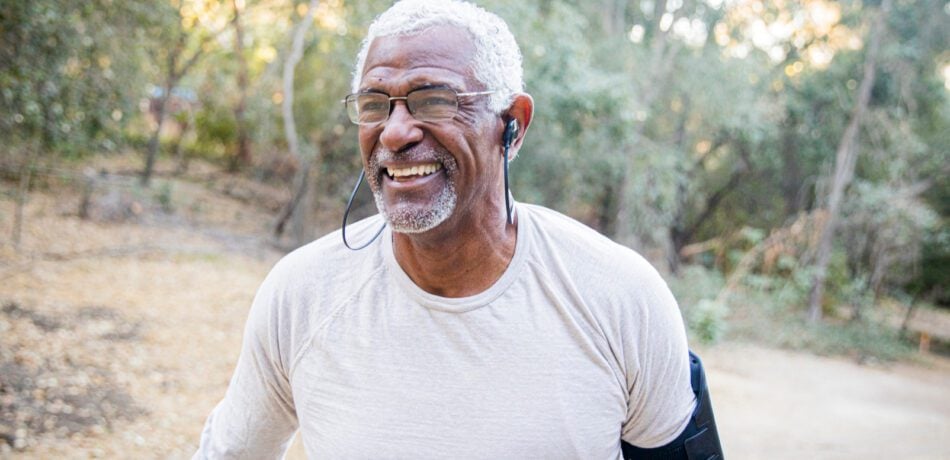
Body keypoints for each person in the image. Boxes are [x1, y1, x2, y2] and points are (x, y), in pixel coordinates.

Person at [195, 1, 721, 458]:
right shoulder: (301, 295)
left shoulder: (619, 295)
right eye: (375, 104)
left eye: (434, 100)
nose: (396, 132)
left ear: (511, 125)